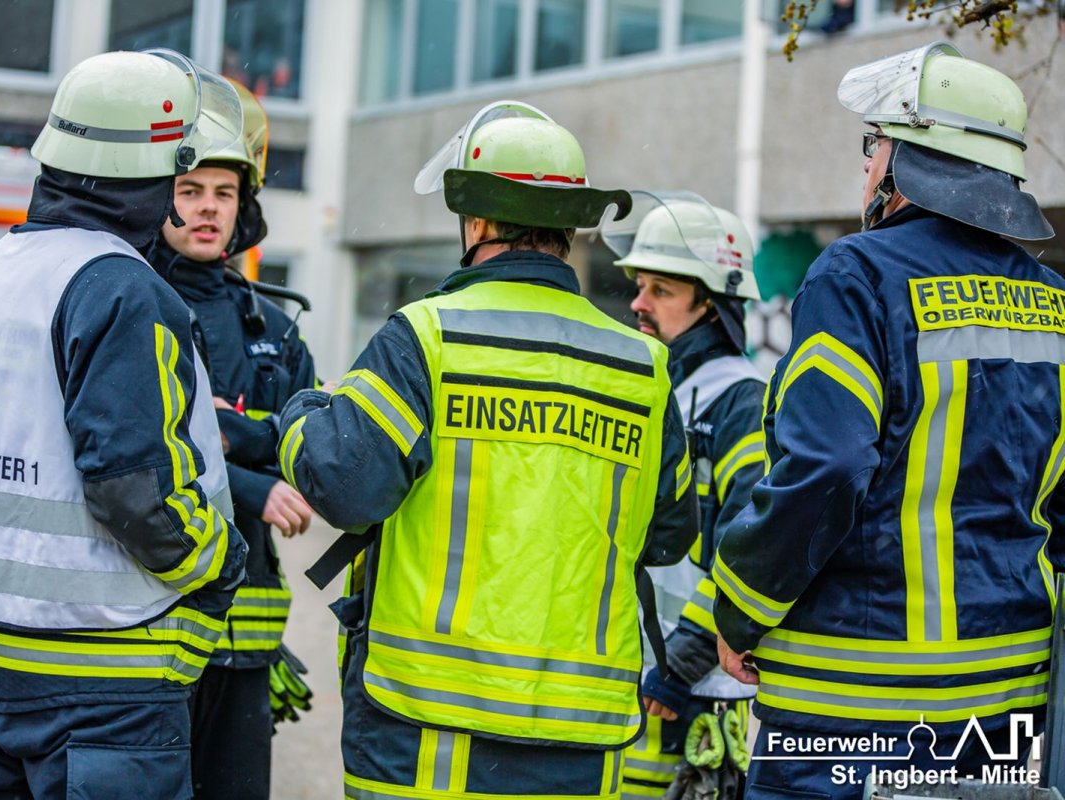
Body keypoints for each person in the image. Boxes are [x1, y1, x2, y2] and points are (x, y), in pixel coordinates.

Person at [275, 100, 699, 798]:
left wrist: (303, 411)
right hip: (579, 734)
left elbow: (348, 488)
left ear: (475, 222)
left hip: (426, 726)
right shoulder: (642, 365)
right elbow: (668, 537)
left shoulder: (425, 336)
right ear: (567, 227)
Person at [712, 42, 1059, 799]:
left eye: (874, 148)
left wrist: (739, 606)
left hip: (850, 716)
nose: (866, 168)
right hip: (1006, 707)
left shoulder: (855, 275)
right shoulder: (1052, 303)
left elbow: (825, 468)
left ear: (907, 158)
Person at [0, 49, 249, 799]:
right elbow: (136, 493)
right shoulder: (122, 290)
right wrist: (219, 561)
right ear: (156, 173)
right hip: (104, 678)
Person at [148, 79, 317, 800]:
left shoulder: (274, 330)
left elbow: (312, 450)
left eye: (223, 190)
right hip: (149, 628)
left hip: (246, 636)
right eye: (189, 189)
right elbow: (139, 451)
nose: (208, 206)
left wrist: (226, 427)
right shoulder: (129, 302)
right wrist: (250, 464)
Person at [601, 193, 764, 798]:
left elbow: (748, 542)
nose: (638, 304)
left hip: (690, 699)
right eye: (640, 286)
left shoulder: (739, 400)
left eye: (661, 291)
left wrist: (680, 662)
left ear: (714, 303)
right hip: (640, 681)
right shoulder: (659, 385)